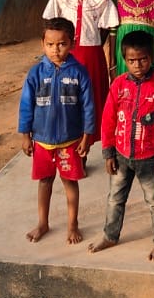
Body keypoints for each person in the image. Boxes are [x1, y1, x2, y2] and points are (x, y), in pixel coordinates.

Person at [88, 30, 154, 261]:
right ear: (124, 59)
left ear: (152, 57)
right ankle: (110, 235)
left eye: (143, 59)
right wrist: (108, 152)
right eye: (132, 60)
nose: (138, 65)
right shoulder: (118, 85)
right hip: (121, 156)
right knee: (115, 198)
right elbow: (108, 119)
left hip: (149, 157)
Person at [17, 18, 95, 245]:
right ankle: (43, 222)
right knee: (45, 182)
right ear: (43, 43)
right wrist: (25, 135)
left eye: (61, 44)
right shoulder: (36, 73)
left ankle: (73, 224)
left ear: (72, 43)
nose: (55, 50)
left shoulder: (80, 73)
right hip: (42, 140)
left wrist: (87, 135)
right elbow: (26, 105)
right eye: (50, 44)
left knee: (70, 182)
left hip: (69, 140)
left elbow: (89, 106)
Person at [43, 0, 118, 142]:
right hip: (63, 55)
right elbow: (49, 27)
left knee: (89, 99)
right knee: (65, 98)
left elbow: (107, 30)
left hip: (91, 56)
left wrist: (110, 61)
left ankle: (86, 143)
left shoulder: (102, 0)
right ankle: (66, 140)